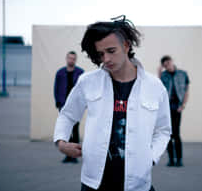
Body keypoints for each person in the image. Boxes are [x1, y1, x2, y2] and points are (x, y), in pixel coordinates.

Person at [53, 15, 171, 191]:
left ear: (126, 46)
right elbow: (68, 114)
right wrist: (61, 142)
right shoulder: (87, 81)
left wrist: (151, 157)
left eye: (111, 51)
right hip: (94, 182)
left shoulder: (155, 86)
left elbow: (163, 130)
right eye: (101, 54)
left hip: (138, 184)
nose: (106, 59)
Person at [158, 55, 190, 167]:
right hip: (166, 107)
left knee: (176, 133)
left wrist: (183, 105)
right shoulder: (164, 75)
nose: (168, 66)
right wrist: (159, 72)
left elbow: (186, 90)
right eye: (165, 65)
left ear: (172, 62)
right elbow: (159, 88)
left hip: (177, 107)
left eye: (168, 63)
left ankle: (179, 159)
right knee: (168, 134)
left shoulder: (182, 74)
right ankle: (171, 159)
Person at [53, 51, 84, 163]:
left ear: (75, 60)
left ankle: (74, 155)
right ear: (66, 59)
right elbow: (56, 88)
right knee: (65, 130)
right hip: (63, 105)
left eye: (73, 58)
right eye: (70, 58)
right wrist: (58, 102)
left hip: (76, 106)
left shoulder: (81, 73)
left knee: (75, 130)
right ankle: (67, 155)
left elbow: (83, 90)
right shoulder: (60, 73)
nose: (71, 60)